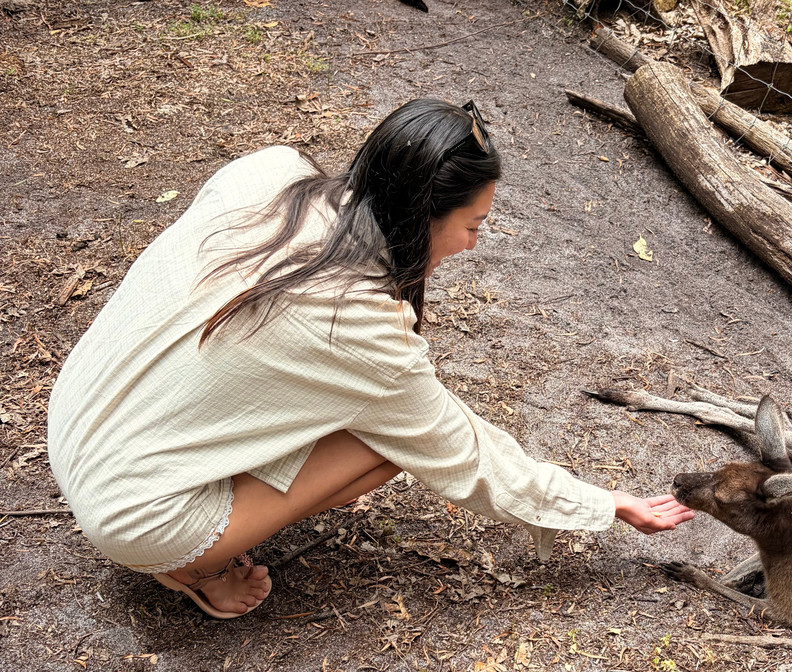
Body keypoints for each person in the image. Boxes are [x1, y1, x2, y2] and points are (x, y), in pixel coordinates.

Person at [47, 98, 694, 619]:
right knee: (386, 445)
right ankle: (196, 567)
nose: (473, 245)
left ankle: (203, 511)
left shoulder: (269, 174)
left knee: (349, 411)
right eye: (474, 225)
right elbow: (462, 455)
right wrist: (602, 504)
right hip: (134, 512)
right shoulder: (358, 323)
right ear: (422, 215)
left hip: (79, 413)